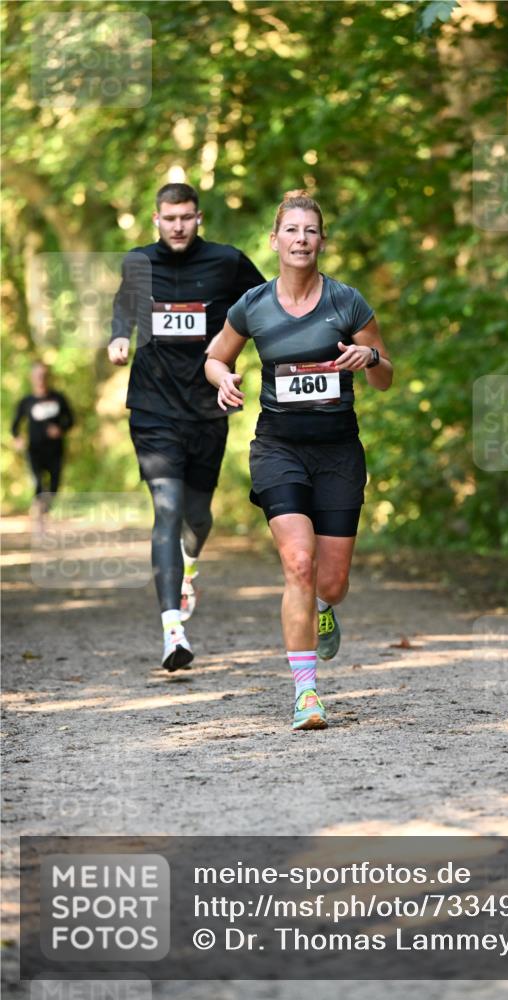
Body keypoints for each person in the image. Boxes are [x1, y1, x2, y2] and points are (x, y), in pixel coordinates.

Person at [205, 190, 392, 731]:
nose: (301, 240)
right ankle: (306, 694)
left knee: (330, 584)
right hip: (278, 449)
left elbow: (385, 378)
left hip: (338, 453)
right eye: (292, 231)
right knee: (299, 565)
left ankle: (325, 609)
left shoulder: (348, 302)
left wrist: (371, 358)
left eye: (311, 231)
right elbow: (216, 357)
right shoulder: (254, 304)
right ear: (275, 240)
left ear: (322, 242)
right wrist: (224, 379)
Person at [108, 182, 264, 672]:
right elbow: (123, 307)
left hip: (207, 406)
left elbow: (266, 304)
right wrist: (118, 337)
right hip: (153, 408)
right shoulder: (137, 262)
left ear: (199, 218)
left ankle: (189, 567)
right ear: (156, 219)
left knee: (198, 516)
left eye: (187, 217)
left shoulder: (227, 262)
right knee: (168, 510)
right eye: (169, 218)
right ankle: (172, 630)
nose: (178, 226)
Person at [11, 361, 74, 532]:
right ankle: (39, 520)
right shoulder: (26, 402)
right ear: (32, 377)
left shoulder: (58, 398)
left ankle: (43, 512)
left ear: (48, 377)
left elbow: (70, 420)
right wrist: (17, 439)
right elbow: (15, 426)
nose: (41, 379)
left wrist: (60, 429)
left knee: (54, 486)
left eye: (44, 375)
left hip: (55, 451)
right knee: (38, 482)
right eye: (38, 375)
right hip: (35, 451)